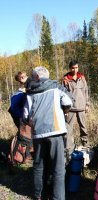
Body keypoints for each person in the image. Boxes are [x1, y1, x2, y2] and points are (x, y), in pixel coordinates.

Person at [23, 66, 73, 200]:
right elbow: (68, 102)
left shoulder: (30, 93)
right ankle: (58, 197)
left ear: (37, 77)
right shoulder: (56, 88)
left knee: (39, 165)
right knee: (58, 167)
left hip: (38, 133)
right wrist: (64, 110)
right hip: (56, 131)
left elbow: (26, 116)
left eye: (33, 77)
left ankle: (39, 195)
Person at [63, 60, 90, 146]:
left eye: (76, 68)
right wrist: (65, 109)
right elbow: (63, 95)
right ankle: (68, 147)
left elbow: (86, 91)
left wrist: (87, 104)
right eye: (73, 68)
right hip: (70, 108)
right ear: (70, 68)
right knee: (68, 128)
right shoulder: (65, 79)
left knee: (83, 127)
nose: (75, 70)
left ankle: (85, 144)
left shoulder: (82, 78)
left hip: (81, 107)